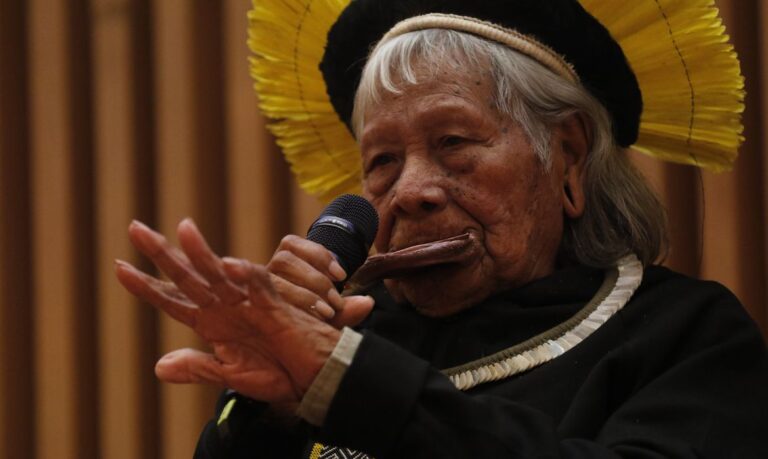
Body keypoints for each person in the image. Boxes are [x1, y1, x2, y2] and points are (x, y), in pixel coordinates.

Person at [116, 0, 768, 457]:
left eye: (453, 141)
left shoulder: (687, 337)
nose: (410, 192)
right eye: (382, 162)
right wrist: (270, 416)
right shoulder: (347, 342)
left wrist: (354, 383)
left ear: (567, 156)